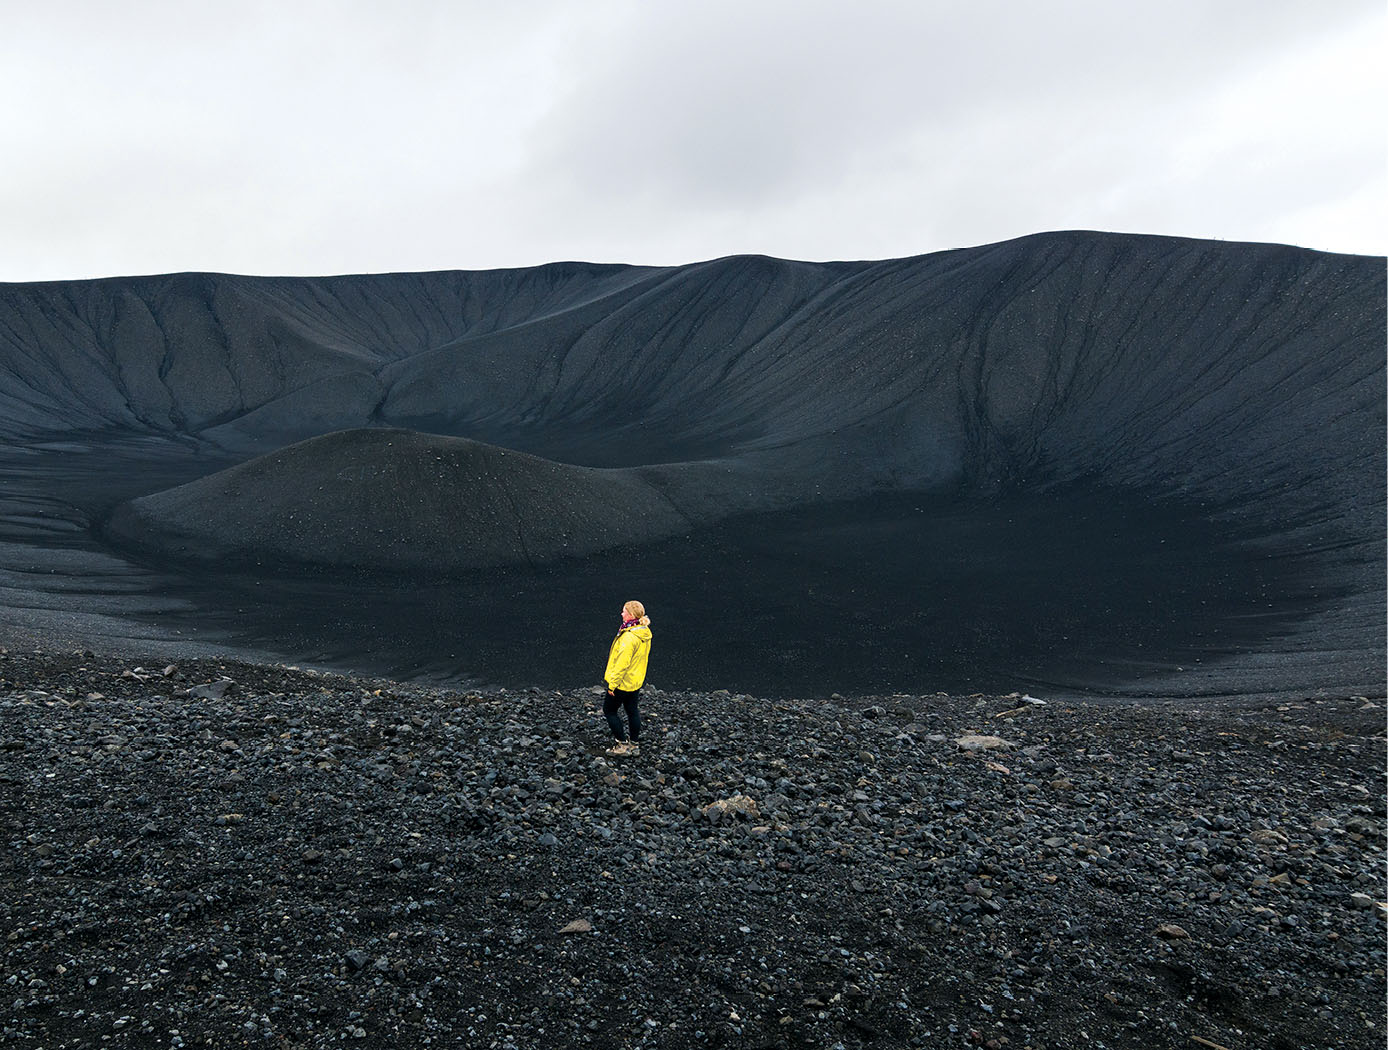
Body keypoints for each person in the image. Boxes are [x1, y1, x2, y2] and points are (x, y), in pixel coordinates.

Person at [602, 600, 652, 755]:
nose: (621, 613)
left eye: (624, 611)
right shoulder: (643, 632)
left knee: (609, 711)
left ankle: (622, 745)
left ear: (631, 615)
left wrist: (612, 685)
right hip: (635, 681)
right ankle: (634, 745)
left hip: (622, 683)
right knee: (632, 711)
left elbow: (621, 664)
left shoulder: (628, 637)